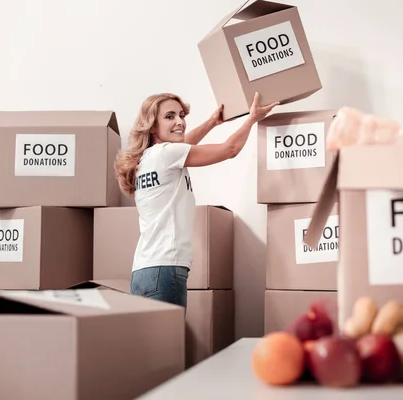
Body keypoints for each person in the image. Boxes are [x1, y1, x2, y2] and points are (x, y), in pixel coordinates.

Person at [114, 92, 279, 309]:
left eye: (181, 115)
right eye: (170, 116)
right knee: (170, 343)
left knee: (154, 343)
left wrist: (212, 122)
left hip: (143, 271)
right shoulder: (166, 154)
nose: (180, 121)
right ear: (152, 126)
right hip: (166, 269)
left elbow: (184, 145)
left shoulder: (146, 159)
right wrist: (252, 118)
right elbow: (230, 149)